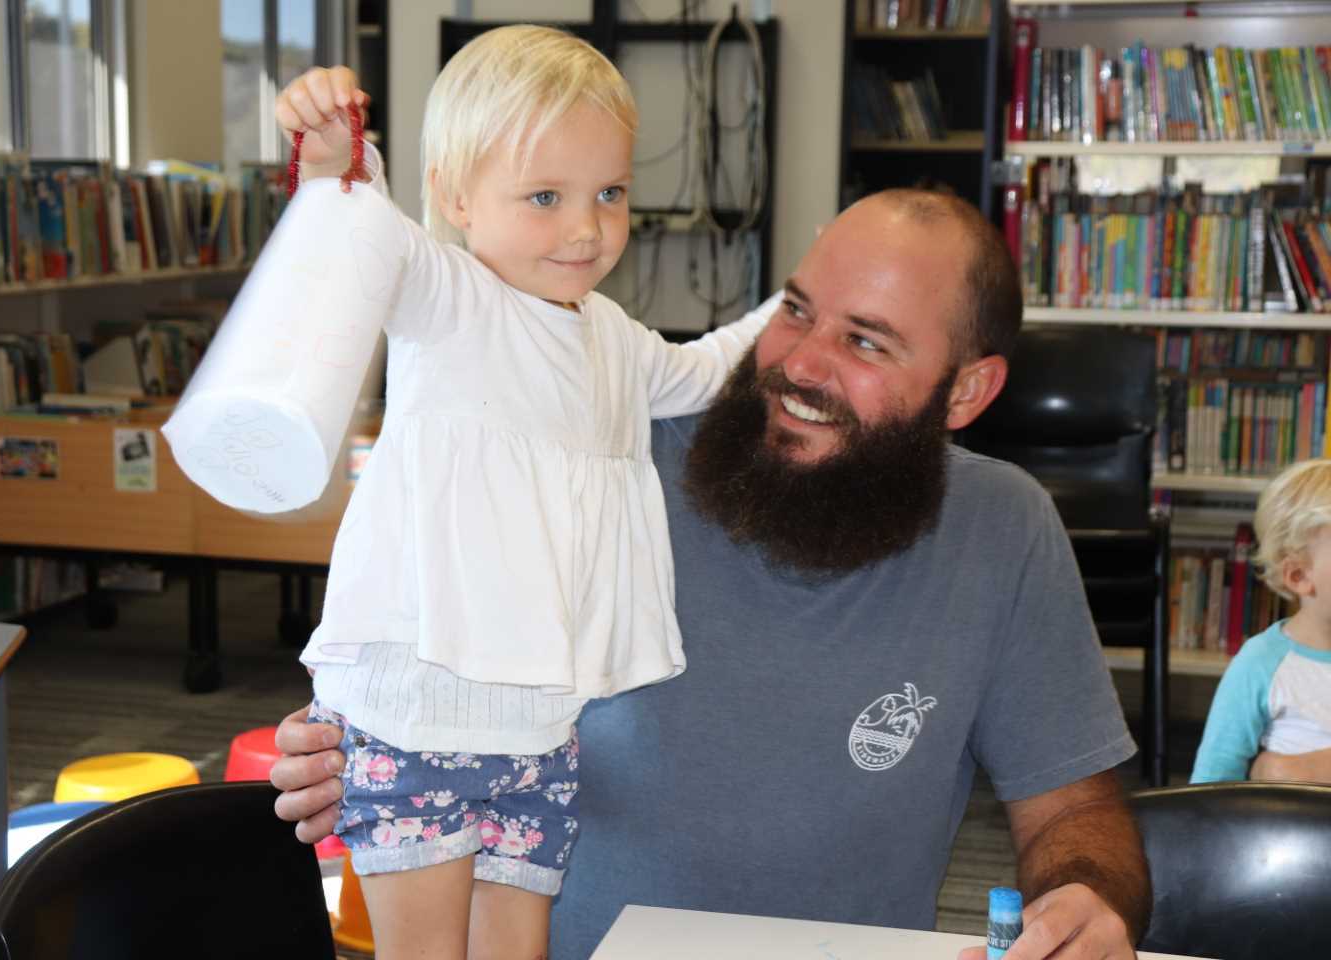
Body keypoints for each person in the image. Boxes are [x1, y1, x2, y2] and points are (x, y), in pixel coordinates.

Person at [271, 187, 1153, 960]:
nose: (802, 364)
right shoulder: (604, 456)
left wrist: (1089, 899)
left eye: (868, 343)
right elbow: (415, 641)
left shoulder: (1004, 528)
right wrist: (358, 735)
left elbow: (1075, 813)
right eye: (797, 310)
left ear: (966, 392)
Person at [266, 26, 767, 960]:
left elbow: (704, 374)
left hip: (538, 727)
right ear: (457, 198)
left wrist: (798, 306)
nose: (586, 228)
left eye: (610, 194)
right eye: (545, 197)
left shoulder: (612, 337)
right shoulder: (446, 297)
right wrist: (336, 160)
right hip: (413, 713)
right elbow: (360, 235)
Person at [1192, 458, 1331, 784]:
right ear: (1298, 576)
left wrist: (1285, 770)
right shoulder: (1261, 663)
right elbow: (1213, 783)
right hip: (1289, 833)